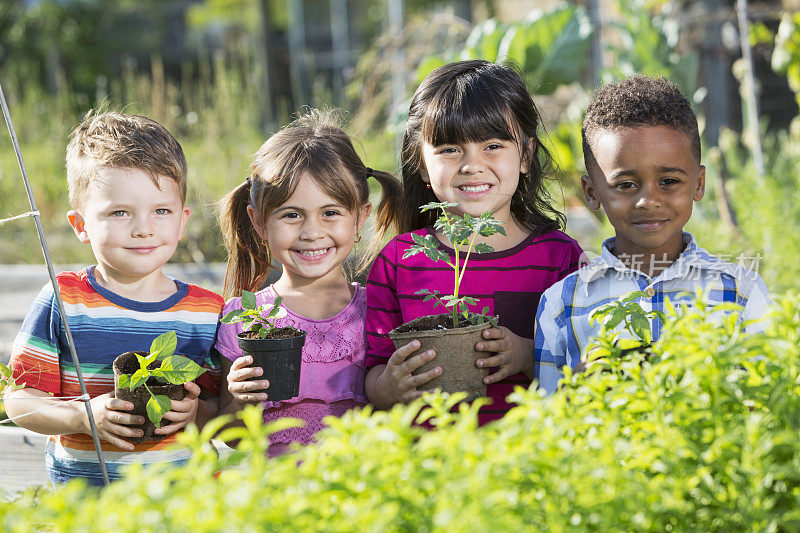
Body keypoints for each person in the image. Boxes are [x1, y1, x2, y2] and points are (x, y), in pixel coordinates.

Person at [5, 111, 223, 485]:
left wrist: (195, 412)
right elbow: (20, 401)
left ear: (182, 220)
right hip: (91, 498)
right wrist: (82, 417)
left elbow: (223, 409)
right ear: (81, 225)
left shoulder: (205, 311)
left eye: (161, 211)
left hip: (188, 498)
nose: (143, 229)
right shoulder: (64, 300)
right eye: (119, 212)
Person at [364, 60, 584, 425]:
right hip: (431, 463)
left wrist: (529, 355)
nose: (471, 165)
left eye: (493, 145)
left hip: (528, 458)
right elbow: (370, 374)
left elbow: (582, 370)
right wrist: (389, 387)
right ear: (420, 162)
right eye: (450, 149)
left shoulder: (559, 258)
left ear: (526, 156)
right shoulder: (399, 261)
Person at [534, 76, 772, 394]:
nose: (648, 200)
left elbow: (769, 403)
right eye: (625, 185)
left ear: (699, 183)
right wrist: (576, 392)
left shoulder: (742, 293)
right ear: (592, 193)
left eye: (669, 181)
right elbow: (545, 426)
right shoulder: (562, 304)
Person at [215, 110, 401, 457]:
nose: (312, 232)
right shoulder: (241, 319)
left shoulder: (381, 310)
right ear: (259, 222)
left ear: (361, 217)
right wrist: (242, 402)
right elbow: (233, 437)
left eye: (331, 212)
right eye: (291, 214)